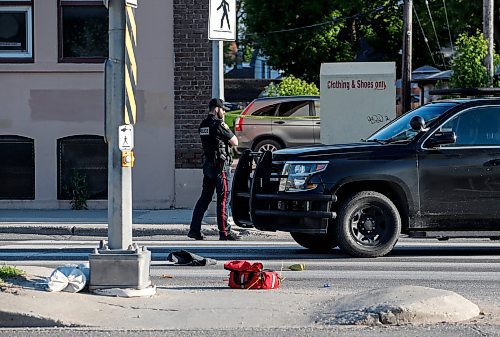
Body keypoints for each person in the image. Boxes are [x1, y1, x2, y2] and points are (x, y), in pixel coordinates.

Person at [188, 98, 240, 241]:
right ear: (217, 109)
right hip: (220, 167)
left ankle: (194, 230)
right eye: (223, 110)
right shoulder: (219, 125)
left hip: (208, 167)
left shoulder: (203, 125)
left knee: (205, 197)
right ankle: (224, 232)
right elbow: (235, 142)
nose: (224, 112)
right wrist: (226, 127)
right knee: (223, 199)